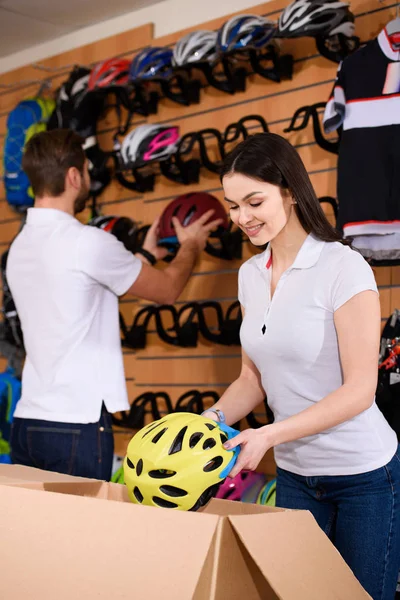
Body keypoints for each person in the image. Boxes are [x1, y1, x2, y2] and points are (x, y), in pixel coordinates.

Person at [202, 132, 400, 600]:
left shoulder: (343, 267)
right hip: (295, 475)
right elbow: (252, 380)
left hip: (364, 478)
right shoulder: (250, 274)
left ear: (289, 191)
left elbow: (359, 392)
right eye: (233, 206)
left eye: (254, 201)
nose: (242, 218)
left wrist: (269, 434)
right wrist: (204, 424)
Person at [7, 129, 221, 481]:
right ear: (74, 176)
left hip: (29, 421)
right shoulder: (88, 242)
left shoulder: (20, 247)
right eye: (87, 169)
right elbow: (168, 290)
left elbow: (80, 292)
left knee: (36, 533)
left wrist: (146, 256)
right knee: (82, 534)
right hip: (77, 424)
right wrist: (192, 245)